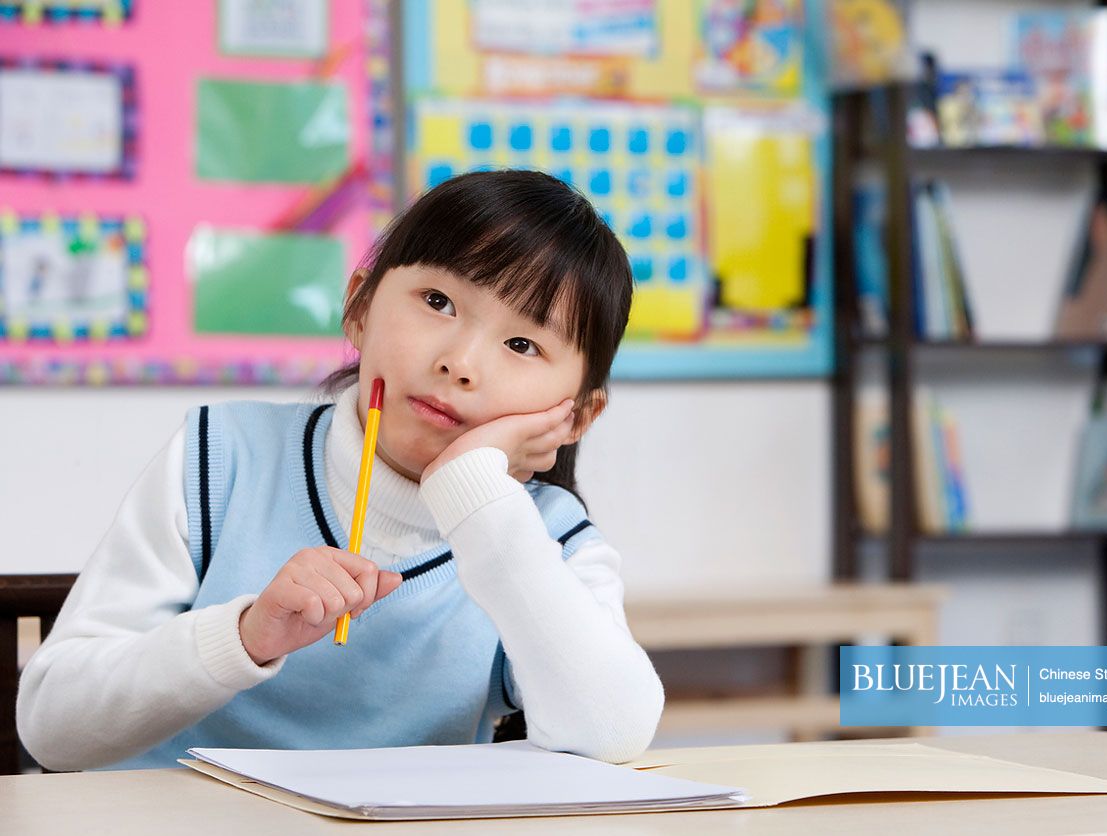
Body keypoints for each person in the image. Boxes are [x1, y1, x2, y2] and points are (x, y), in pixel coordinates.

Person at [17, 170, 664, 771]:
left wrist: (475, 492)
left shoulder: (546, 535)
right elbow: (51, 725)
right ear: (359, 306)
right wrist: (244, 636)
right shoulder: (221, 456)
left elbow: (610, 733)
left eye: (523, 344)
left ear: (578, 415)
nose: (461, 361)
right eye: (437, 301)